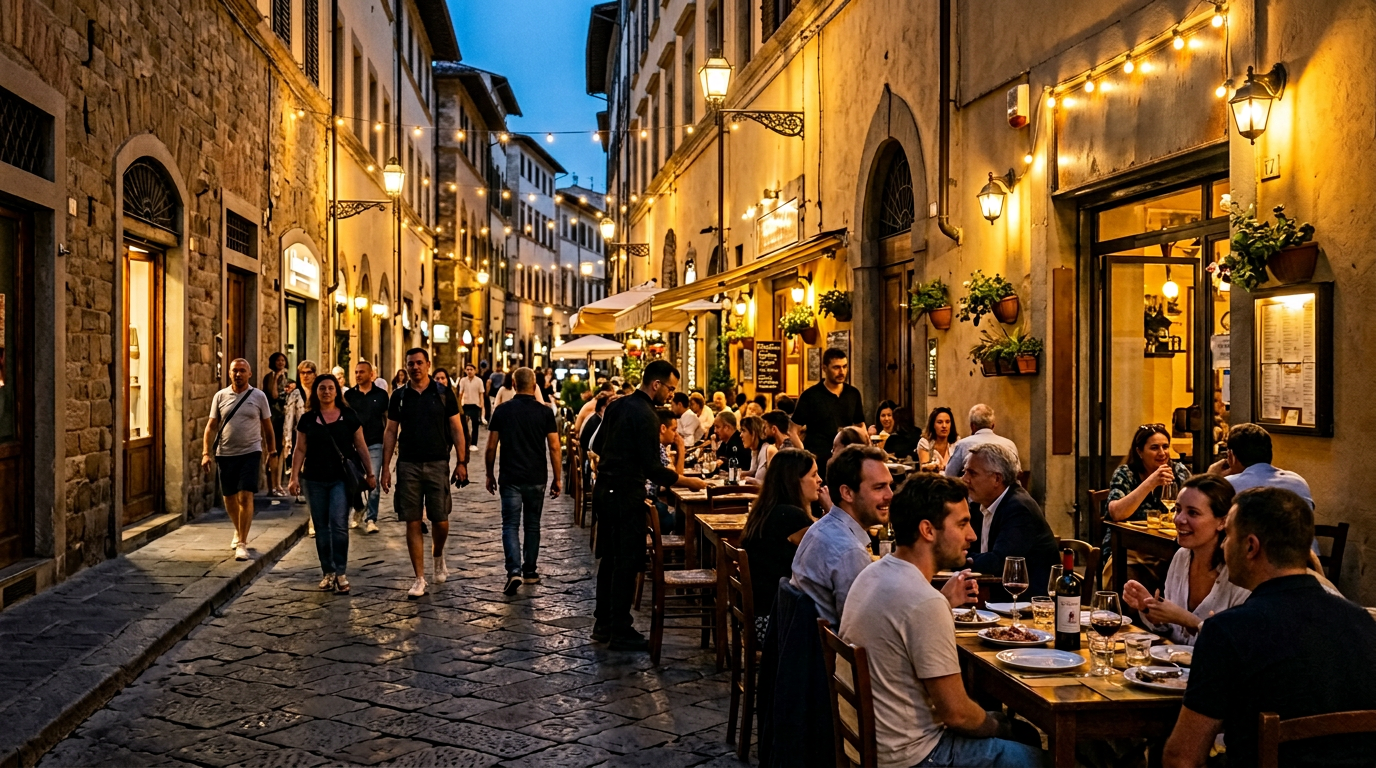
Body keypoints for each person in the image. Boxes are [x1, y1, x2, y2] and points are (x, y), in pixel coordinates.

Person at [1162, 488, 1376, 768]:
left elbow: (1182, 758)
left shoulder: (1228, 632)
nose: (1223, 546)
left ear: (1251, 547)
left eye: (1227, 537)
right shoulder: (1363, 622)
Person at [840, 473, 1041, 768]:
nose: (971, 535)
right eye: (962, 524)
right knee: (1045, 758)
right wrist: (998, 727)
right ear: (927, 530)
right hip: (914, 757)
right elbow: (957, 714)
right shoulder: (923, 600)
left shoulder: (874, 573)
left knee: (1017, 733)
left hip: (869, 745)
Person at [591, 360, 685, 650]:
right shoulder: (647, 415)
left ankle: (603, 623)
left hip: (604, 493)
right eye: (670, 388)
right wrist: (683, 480)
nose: (671, 395)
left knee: (609, 558)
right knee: (627, 560)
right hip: (624, 494)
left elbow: (596, 446)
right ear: (656, 384)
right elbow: (652, 467)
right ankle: (620, 629)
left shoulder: (618, 405)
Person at [380, 348, 469, 599]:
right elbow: (390, 431)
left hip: (437, 462)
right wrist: (386, 467)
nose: (415, 367)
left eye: (419, 363)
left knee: (440, 519)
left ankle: (437, 553)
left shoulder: (442, 394)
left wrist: (461, 462)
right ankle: (419, 578)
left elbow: (456, 428)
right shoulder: (398, 396)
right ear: (406, 366)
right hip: (408, 463)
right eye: (411, 364)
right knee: (413, 519)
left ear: (428, 365)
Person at [1123, 474, 1248, 646]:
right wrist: (1150, 609)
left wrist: (1189, 620)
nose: (1179, 519)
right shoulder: (1181, 557)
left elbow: (1236, 646)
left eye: (1193, 513)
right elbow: (1173, 635)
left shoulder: (1239, 574)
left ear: (1222, 522)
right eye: (1178, 509)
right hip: (1173, 669)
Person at [286, 373, 375, 594]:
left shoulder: (348, 416)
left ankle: (341, 572)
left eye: (330, 388)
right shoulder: (308, 419)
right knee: (321, 527)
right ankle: (328, 571)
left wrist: (370, 473)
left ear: (337, 391)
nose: (326, 392)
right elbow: (300, 449)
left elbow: (361, 446)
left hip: (340, 479)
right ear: (316, 392)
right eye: (322, 388)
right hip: (314, 479)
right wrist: (294, 476)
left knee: (338, 525)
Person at [789, 445, 891, 626]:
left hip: (806, 646)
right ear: (847, 493)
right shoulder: (848, 551)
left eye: (889, 486)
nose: (890, 495)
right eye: (879, 487)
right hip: (830, 652)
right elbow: (860, 630)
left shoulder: (821, 528)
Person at [485, 367, 560, 596]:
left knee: (510, 524)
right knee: (532, 524)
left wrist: (489, 473)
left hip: (510, 476)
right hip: (536, 476)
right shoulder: (545, 413)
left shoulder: (502, 411)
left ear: (514, 385)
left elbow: (490, 446)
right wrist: (558, 478)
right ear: (535, 385)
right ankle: (529, 571)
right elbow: (555, 447)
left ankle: (513, 571)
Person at [741, 448, 820, 642]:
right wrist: (829, 507)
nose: (820, 480)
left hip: (758, 616)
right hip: (774, 623)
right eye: (814, 475)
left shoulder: (768, 509)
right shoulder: (791, 517)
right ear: (795, 481)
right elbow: (826, 550)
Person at [961, 442, 1059, 597]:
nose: (964, 479)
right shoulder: (981, 505)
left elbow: (999, 562)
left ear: (997, 479)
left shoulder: (1018, 509)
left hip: (1026, 603)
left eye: (972, 473)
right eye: (965, 472)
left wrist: (958, 559)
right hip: (994, 593)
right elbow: (970, 546)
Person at [201, 359, 275, 561]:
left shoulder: (258, 396)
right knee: (230, 498)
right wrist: (206, 453)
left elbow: (268, 427)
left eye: (243, 370)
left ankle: (242, 542)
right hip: (225, 454)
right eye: (235, 371)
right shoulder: (220, 396)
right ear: (229, 373)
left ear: (249, 374)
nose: (238, 374)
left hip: (251, 452)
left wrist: (272, 452)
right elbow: (211, 426)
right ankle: (238, 528)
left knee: (245, 496)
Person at [1104, 423, 1191, 590]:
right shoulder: (1126, 473)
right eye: (1154, 447)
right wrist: (1150, 483)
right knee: (1131, 584)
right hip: (1128, 551)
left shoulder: (1178, 471)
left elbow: (1196, 500)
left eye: (1165, 447)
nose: (1162, 453)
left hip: (1169, 549)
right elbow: (1116, 513)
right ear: (1139, 452)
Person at [790, 347, 866, 481]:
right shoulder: (810, 396)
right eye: (836, 367)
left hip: (846, 460)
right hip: (819, 460)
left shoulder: (853, 394)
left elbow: (860, 425)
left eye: (844, 366)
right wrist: (805, 454)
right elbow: (793, 430)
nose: (841, 371)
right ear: (824, 368)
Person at [1209, 422, 1314, 508]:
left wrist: (1211, 479)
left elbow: (1205, 512)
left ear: (1231, 456)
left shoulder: (1228, 487)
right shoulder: (1298, 482)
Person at [344, 361, 389, 534]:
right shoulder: (349, 396)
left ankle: (371, 518)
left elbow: (387, 419)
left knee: (373, 482)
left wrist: (390, 443)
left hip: (374, 443)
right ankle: (359, 507)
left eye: (361, 372)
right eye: (356, 372)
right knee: (353, 481)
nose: (358, 375)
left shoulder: (381, 395)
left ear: (371, 375)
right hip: (353, 446)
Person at [943, 404, 1017, 479]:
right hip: (1005, 490)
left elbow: (949, 475)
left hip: (973, 489)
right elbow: (1017, 473)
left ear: (972, 426)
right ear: (993, 425)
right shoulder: (1010, 445)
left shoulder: (963, 445)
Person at [283, 361, 318, 516]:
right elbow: (289, 418)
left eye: (308, 372)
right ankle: (305, 494)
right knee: (302, 466)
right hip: (302, 434)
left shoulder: (320, 391)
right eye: (302, 373)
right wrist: (288, 440)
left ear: (314, 374)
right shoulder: (296, 394)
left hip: (319, 435)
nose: (305, 376)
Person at [263, 352, 290, 496]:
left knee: (280, 452)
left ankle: (277, 485)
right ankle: (272, 486)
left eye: (283, 360)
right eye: (278, 360)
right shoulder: (269, 378)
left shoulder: (288, 379)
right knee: (273, 451)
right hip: (273, 418)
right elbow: (273, 395)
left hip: (285, 418)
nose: (281, 363)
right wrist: (275, 379)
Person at [917, 406, 959, 472]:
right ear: (933, 425)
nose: (944, 426)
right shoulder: (925, 442)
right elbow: (925, 470)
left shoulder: (956, 441)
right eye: (940, 422)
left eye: (947, 422)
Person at [738, 415, 774, 486]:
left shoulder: (769, 449)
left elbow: (773, 484)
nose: (740, 435)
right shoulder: (755, 450)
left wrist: (752, 480)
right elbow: (754, 472)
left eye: (743, 431)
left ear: (753, 433)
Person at [457, 364, 485, 449]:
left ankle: (474, 443)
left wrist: (481, 405)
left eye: (471, 369)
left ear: (475, 370)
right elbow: (460, 393)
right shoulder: (463, 380)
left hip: (475, 404)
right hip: (465, 404)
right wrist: (458, 406)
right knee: (463, 425)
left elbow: (481, 394)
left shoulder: (479, 381)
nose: (469, 371)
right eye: (467, 369)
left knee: (475, 425)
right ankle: (465, 441)